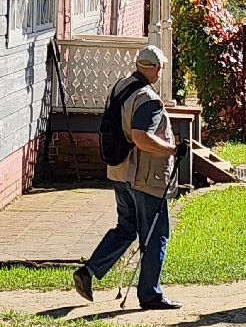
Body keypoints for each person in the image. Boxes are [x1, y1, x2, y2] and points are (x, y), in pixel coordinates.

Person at [72, 45, 188, 310]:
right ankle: (150, 295)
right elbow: (140, 137)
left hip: (120, 172)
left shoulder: (121, 86)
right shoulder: (148, 99)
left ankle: (88, 271)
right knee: (155, 234)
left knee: (126, 229)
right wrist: (172, 149)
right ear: (156, 69)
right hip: (144, 177)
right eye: (160, 68)